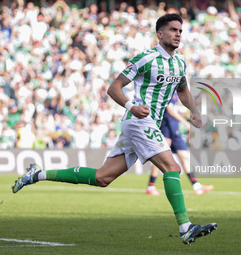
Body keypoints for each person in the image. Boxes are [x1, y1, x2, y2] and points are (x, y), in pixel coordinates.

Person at [12, 13, 217, 246]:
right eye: (173, 30)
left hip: (148, 124)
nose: (178, 34)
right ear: (160, 34)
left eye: (180, 30)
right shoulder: (145, 58)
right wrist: (131, 106)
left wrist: (195, 111)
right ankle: (185, 227)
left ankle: (37, 174)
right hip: (139, 121)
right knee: (172, 167)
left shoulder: (180, 62)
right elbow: (114, 87)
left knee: (102, 177)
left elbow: (182, 90)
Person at [146, 92, 214, 196]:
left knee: (185, 156)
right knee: (160, 158)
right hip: (166, 128)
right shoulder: (167, 90)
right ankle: (151, 186)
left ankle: (196, 186)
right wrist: (184, 122)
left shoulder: (175, 91)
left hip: (174, 129)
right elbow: (170, 110)